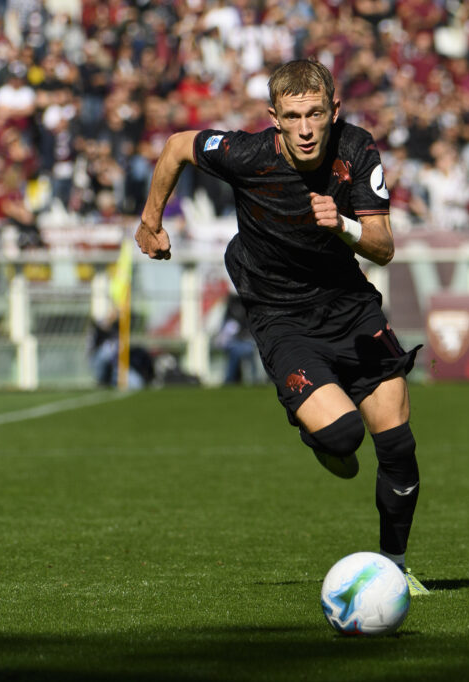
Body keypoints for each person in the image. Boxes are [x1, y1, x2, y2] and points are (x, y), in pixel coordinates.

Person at [134, 59, 429, 596]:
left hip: (349, 309)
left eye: (316, 114)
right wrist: (150, 221)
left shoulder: (357, 149)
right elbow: (179, 143)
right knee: (343, 438)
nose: (306, 128)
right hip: (282, 317)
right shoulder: (247, 154)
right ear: (274, 118)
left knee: (398, 445)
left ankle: (394, 568)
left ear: (334, 111)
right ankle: (315, 428)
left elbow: (383, 248)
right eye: (293, 117)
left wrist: (339, 223)